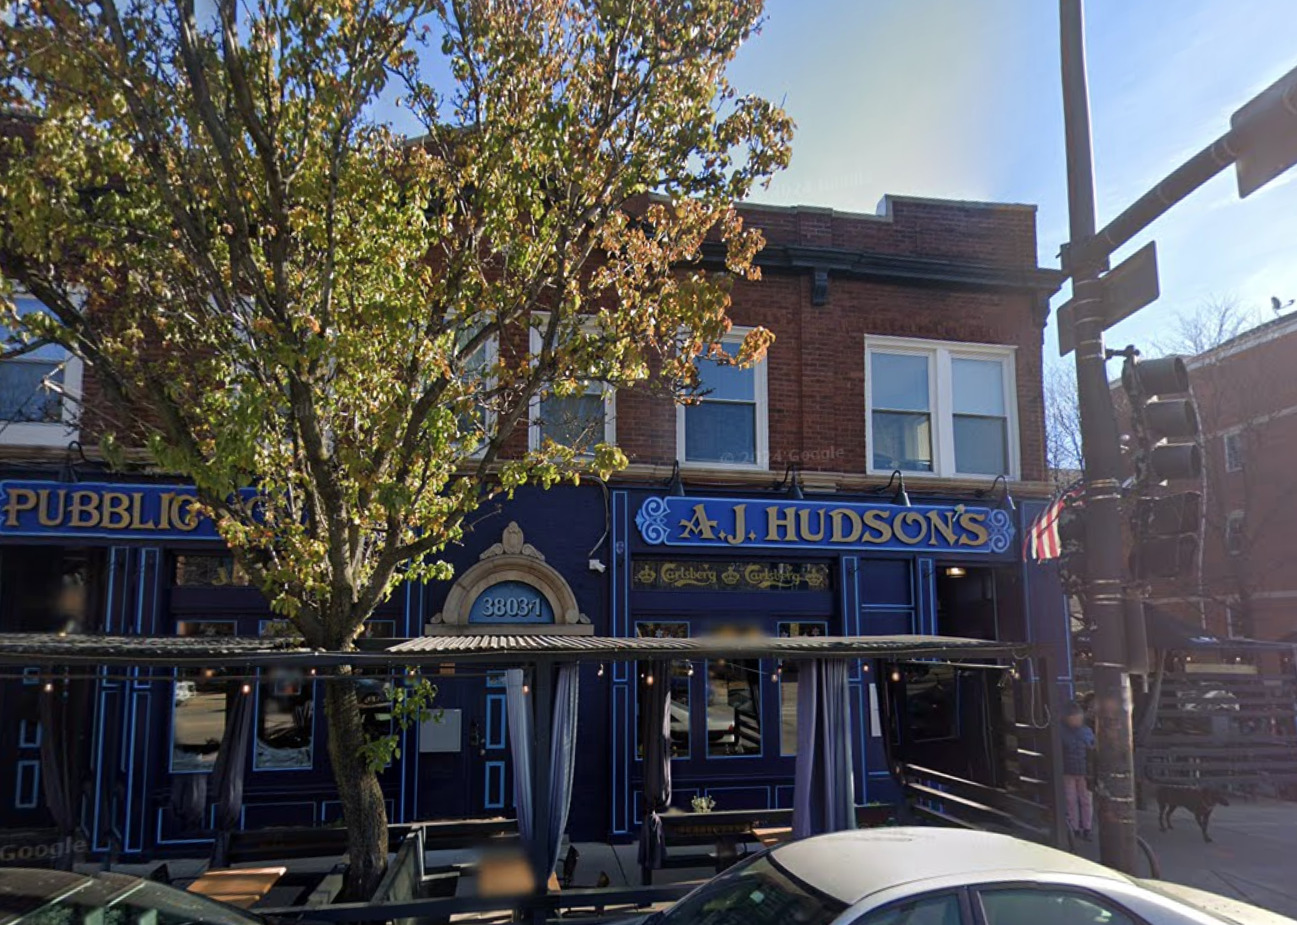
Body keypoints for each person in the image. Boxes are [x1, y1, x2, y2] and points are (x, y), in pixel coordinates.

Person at [1060, 700, 1095, 840]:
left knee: (1075, 800)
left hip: (1073, 770)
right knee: (1078, 800)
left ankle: (1078, 828)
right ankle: (1083, 827)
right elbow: (1092, 748)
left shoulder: (1061, 732)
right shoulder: (1086, 731)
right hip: (1080, 769)